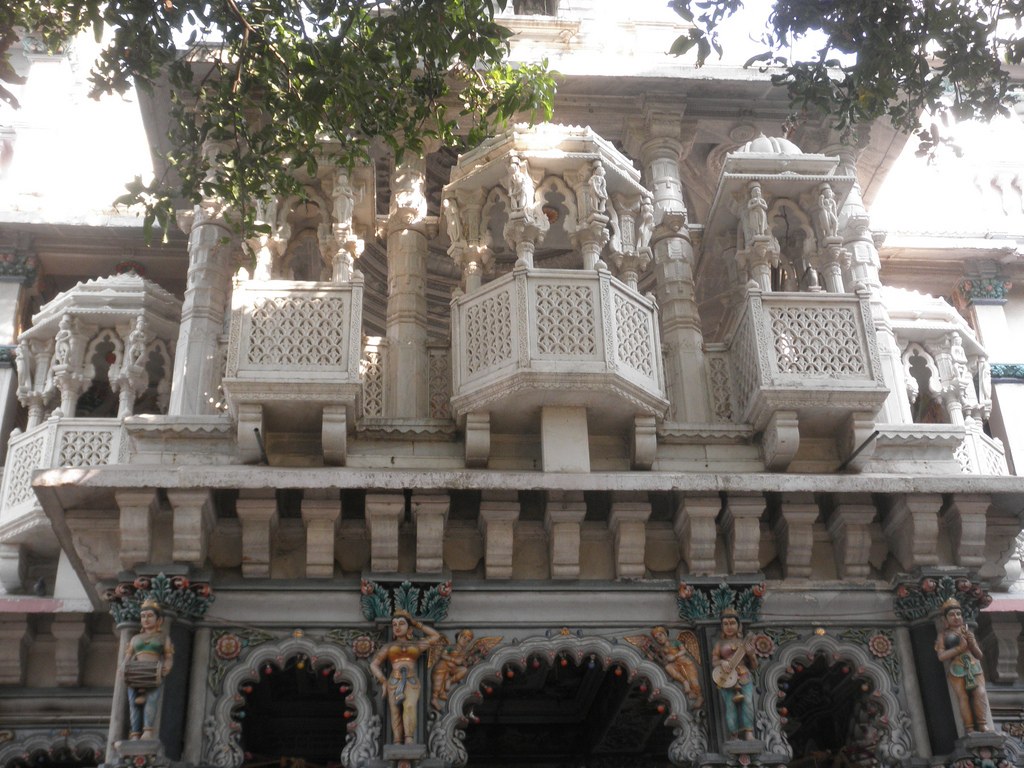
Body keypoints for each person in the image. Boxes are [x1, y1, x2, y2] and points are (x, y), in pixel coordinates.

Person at [370, 609, 441, 744]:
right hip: (394, 679)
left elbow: (435, 636)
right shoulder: (388, 646)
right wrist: (383, 681)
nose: (397, 627)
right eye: (394, 624)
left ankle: (409, 738)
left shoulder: (417, 645)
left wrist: (417, 623)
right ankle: (397, 740)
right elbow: (374, 664)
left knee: (409, 706)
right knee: (395, 711)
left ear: (409, 627)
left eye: (401, 623)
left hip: (411, 680)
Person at [935, 598, 991, 733]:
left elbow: (979, 655)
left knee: (980, 693)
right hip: (957, 667)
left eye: (958, 614)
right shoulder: (943, 635)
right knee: (963, 696)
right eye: (952, 615)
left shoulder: (967, 632)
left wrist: (971, 643)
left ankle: (982, 724)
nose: (956, 617)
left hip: (973, 665)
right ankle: (969, 728)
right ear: (945, 619)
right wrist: (959, 649)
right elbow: (941, 656)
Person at [122, 599, 174, 740]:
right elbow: (128, 656)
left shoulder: (163, 638)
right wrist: (123, 669)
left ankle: (148, 730)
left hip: (153, 671)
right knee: (133, 703)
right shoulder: (135, 638)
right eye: (143, 616)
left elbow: (168, 657)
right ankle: (135, 732)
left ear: (159, 620)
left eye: (150, 616)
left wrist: (167, 667)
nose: (146, 619)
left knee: (151, 700)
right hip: (135, 672)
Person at [711, 609, 757, 740]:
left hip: (743, 676)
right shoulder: (719, 644)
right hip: (726, 677)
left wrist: (751, 655)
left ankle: (749, 732)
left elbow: (754, 666)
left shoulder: (744, 643)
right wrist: (722, 662)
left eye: (732, 623)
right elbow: (714, 661)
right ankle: (733, 734)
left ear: (739, 625)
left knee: (748, 702)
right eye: (725, 624)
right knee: (730, 706)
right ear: (722, 627)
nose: (729, 627)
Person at [651, 626, 703, 708]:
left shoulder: (675, 642)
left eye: (660, 635)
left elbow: (683, 650)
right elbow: (664, 660)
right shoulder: (662, 649)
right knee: (668, 667)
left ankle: (699, 696)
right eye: (657, 638)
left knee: (693, 680)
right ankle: (684, 682)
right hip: (675, 665)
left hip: (686, 663)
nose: (659, 639)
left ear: (665, 634)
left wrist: (674, 656)